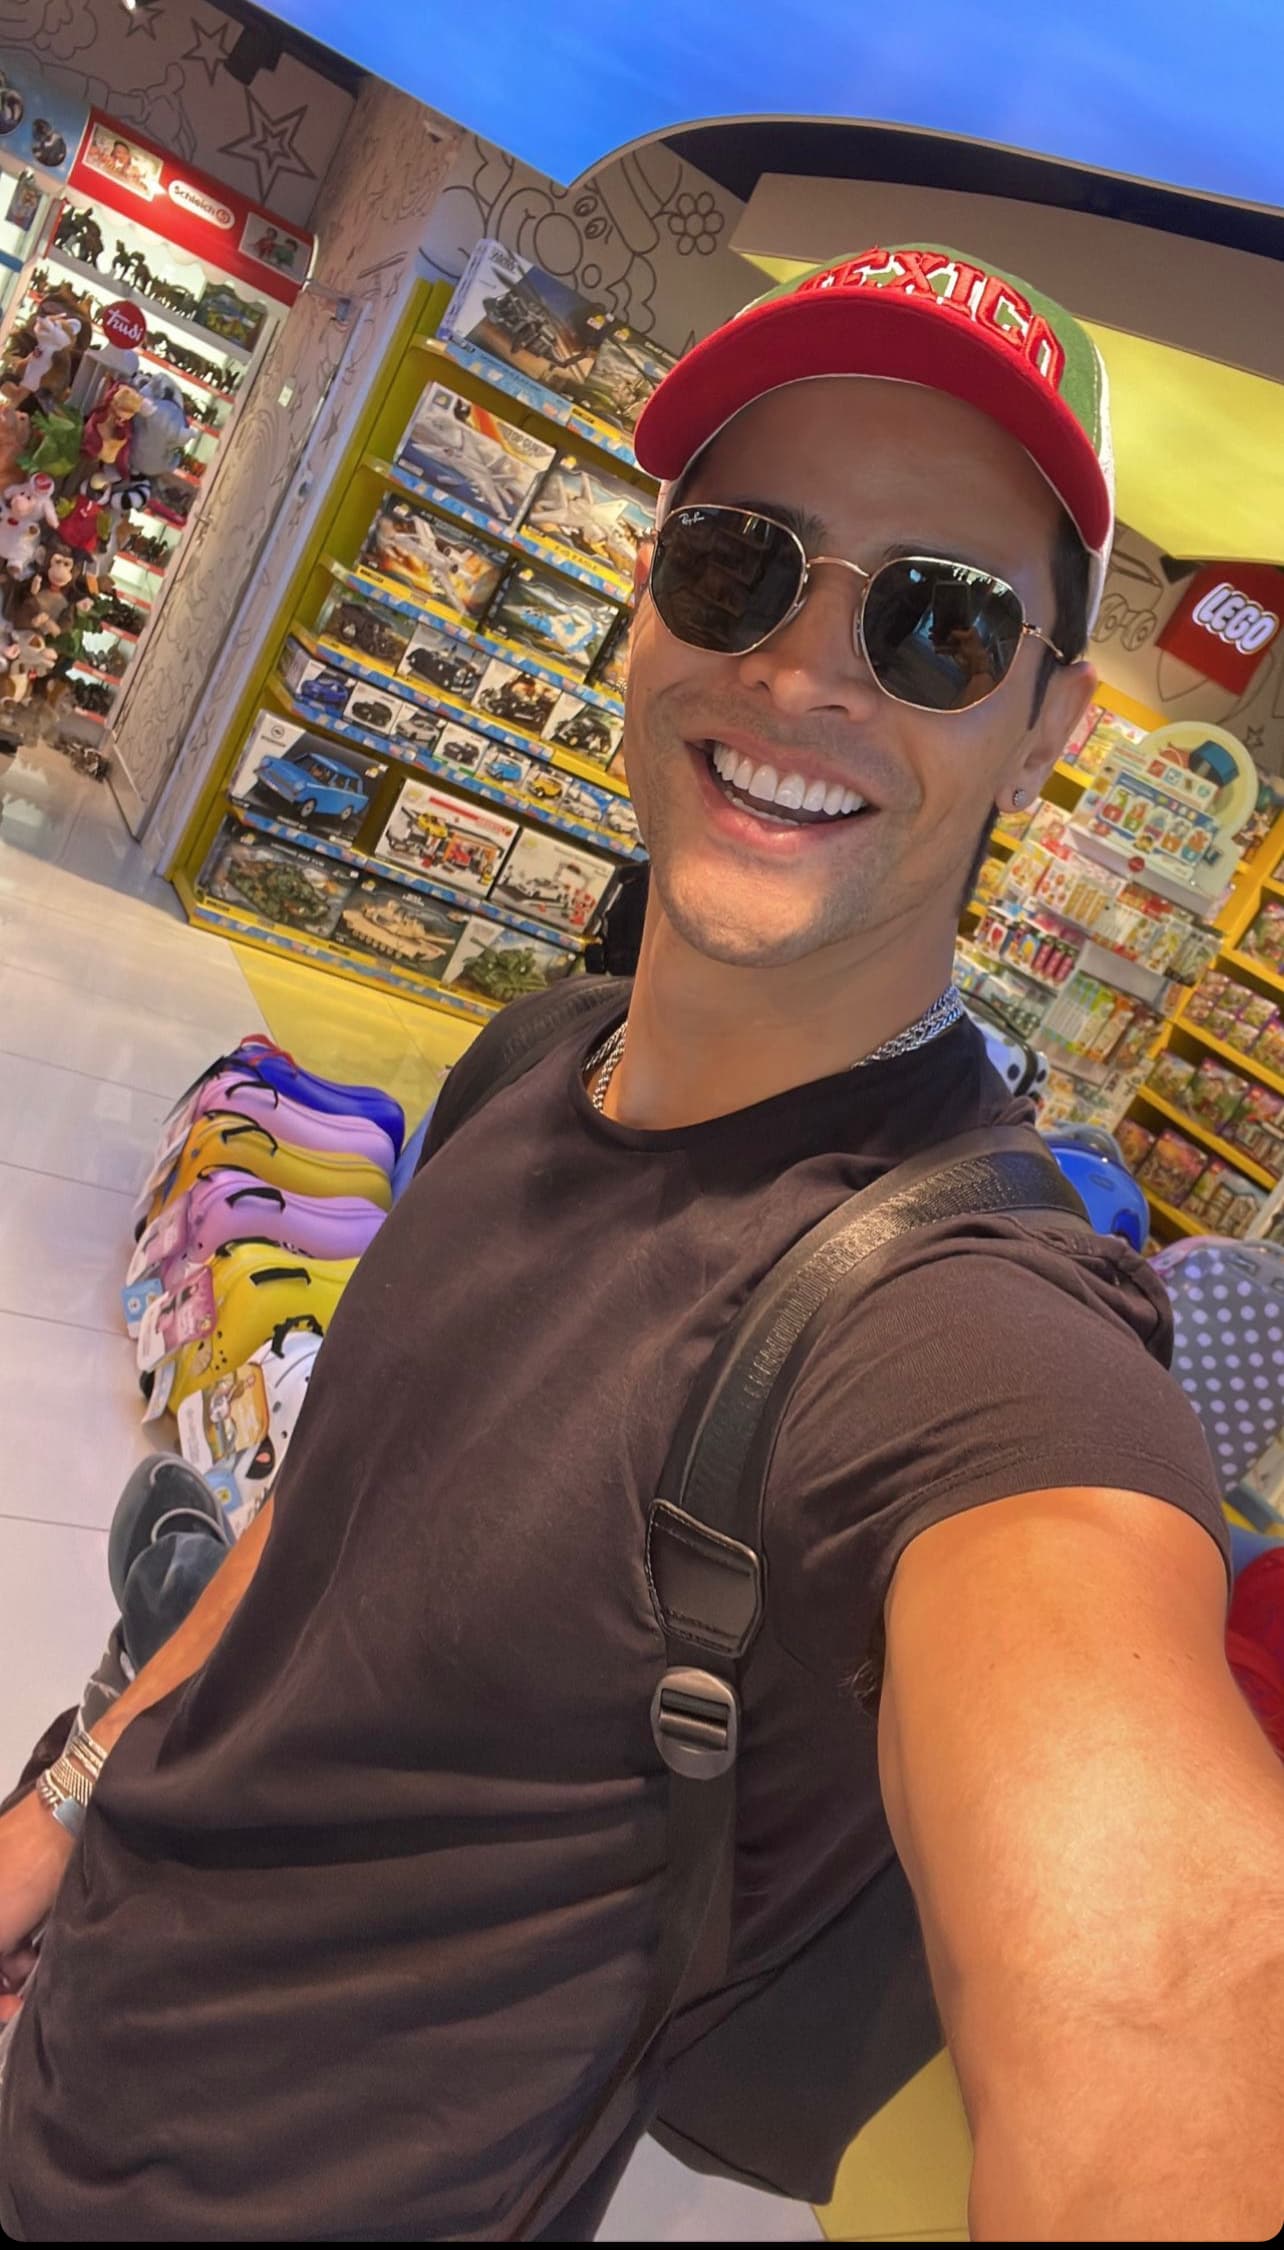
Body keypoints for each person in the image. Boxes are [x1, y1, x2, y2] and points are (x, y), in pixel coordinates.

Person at [3, 244, 1284, 2243]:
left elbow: (1164, 2017)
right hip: (69, 2036)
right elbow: (323, 1518)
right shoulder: (538, 1052)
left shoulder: (970, 1343)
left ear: (1047, 721)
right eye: (741, 564)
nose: (802, 673)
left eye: (939, 623)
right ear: (647, 601)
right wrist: (71, 1800)